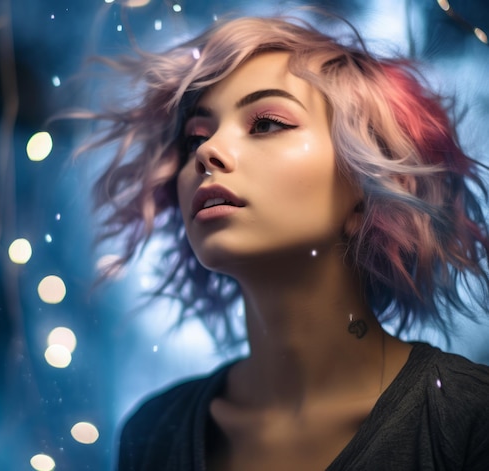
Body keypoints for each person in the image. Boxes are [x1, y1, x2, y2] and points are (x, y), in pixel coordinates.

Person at [73, 14, 489, 470]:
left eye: (267, 123)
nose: (208, 153)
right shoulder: (154, 433)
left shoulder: (467, 420)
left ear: (371, 183)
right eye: (196, 137)